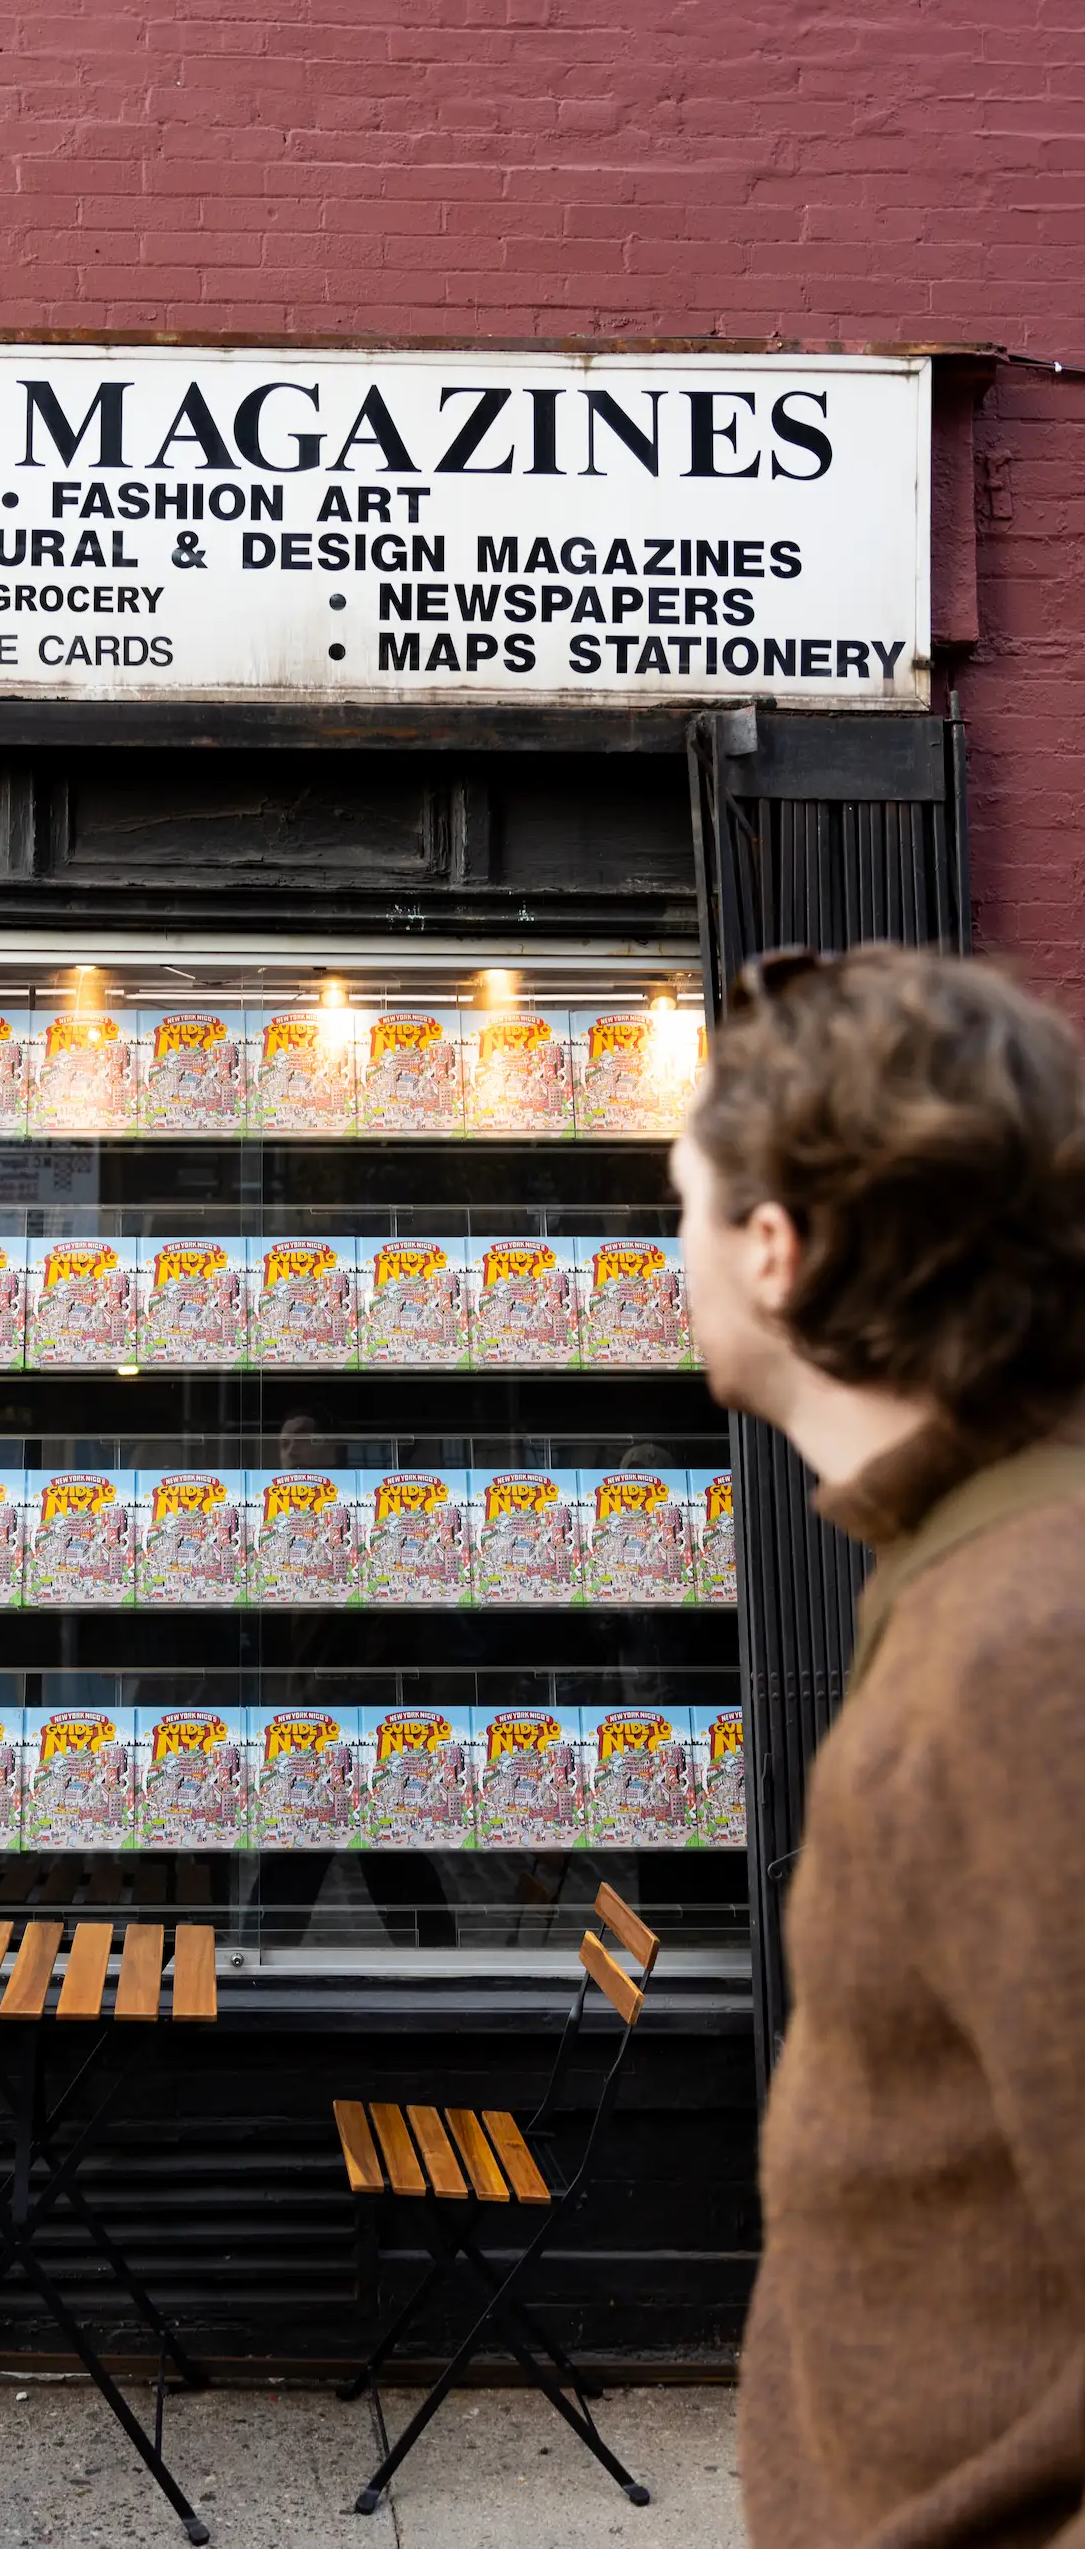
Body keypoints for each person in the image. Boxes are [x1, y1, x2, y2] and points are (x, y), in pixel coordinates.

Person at [670, 946, 1085, 2549]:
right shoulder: (978, 1567)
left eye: (683, 1210)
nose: (674, 1259)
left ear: (775, 1249)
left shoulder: (1027, 1648)